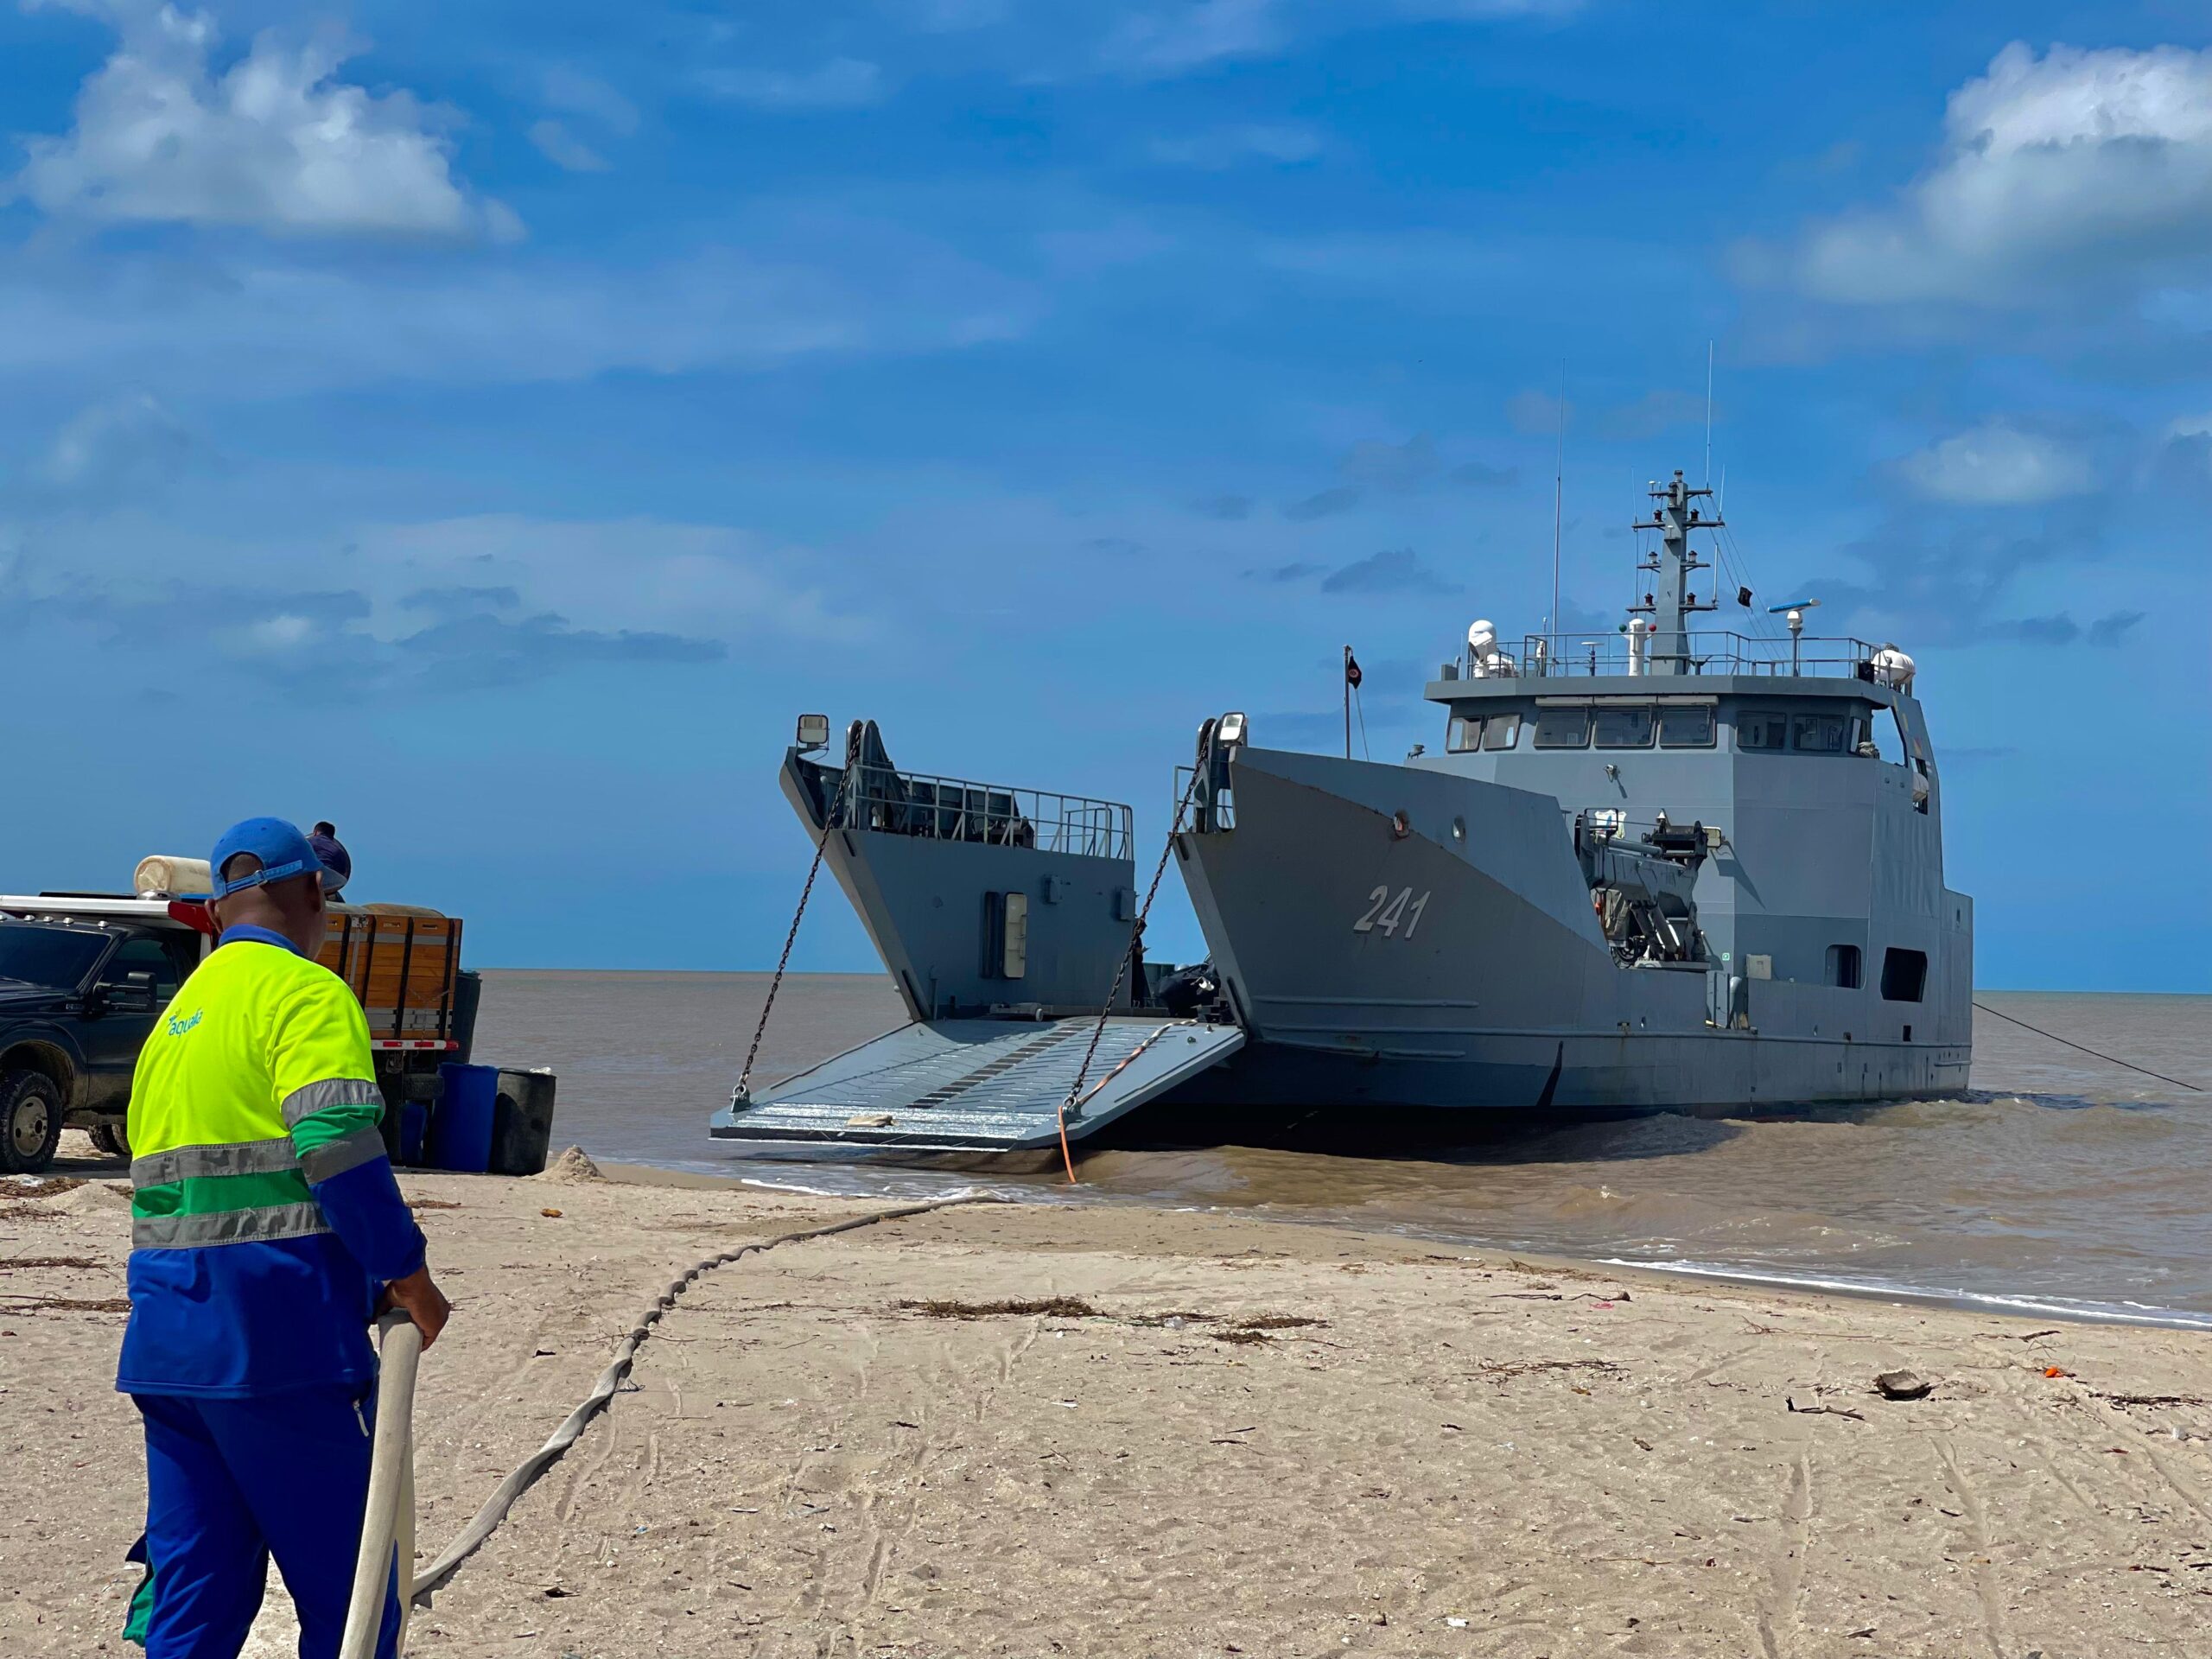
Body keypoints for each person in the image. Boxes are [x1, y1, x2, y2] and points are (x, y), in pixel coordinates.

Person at [118, 817, 449, 1658]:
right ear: (312, 895)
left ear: (219, 910)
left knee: (196, 1602)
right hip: (275, 1345)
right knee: (355, 1604)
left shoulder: (179, 1019)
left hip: (169, 1350)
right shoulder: (306, 994)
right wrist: (406, 1275)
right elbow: (336, 1148)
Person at [308, 822, 352, 898]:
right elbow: (342, 871)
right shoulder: (338, 850)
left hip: (308, 879)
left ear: (315, 832)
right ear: (332, 836)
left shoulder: (308, 842)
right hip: (327, 883)